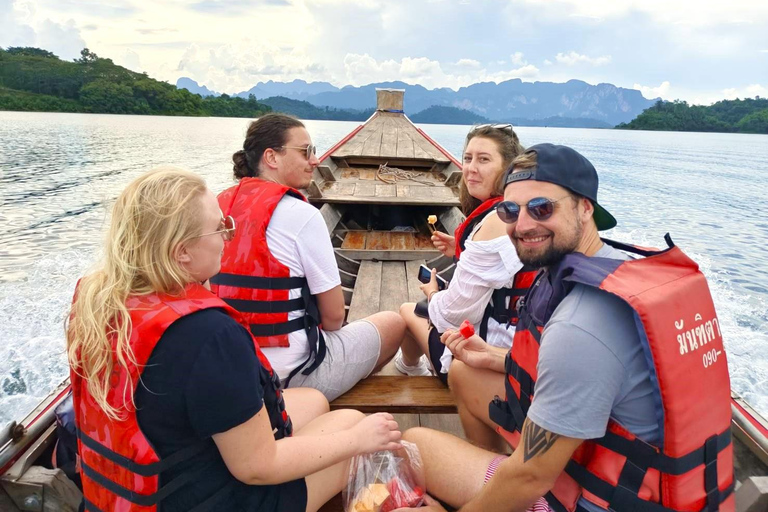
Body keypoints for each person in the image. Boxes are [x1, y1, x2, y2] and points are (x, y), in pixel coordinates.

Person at [396, 144, 734, 511]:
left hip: (587, 500)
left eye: (542, 208)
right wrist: (502, 358)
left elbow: (531, 477)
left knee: (415, 445)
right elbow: (603, 374)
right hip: (631, 468)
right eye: (510, 210)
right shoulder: (615, 264)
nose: (523, 225)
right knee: (463, 373)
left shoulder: (581, 324)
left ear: (586, 208)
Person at [66, 168, 402, 512]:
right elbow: (257, 467)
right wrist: (358, 440)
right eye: (219, 227)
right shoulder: (208, 334)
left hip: (128, 491)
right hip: (221, 499)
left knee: (313, 400)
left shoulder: (99, 301)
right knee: (352, 424)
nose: (228, 236)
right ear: (182, 252)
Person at [211, 114, 406, 401]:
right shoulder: (302, 216)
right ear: (271, 157)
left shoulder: (217, 205)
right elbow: (334, 318)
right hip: (289, 376)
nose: (314, 160)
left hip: (228, 367)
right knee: (394, 323)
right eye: (306, 151)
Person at [397, 124, 536, 384]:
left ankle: (410, 366)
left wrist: (432, 293)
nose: (471, 168)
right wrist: (458, 249)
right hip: (524, 343)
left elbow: (454, 314)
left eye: (484, 159)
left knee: (409, 310)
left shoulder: (495, 221)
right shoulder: (526, 212)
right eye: (467, 158)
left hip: (490, 354)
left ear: (509, 169)